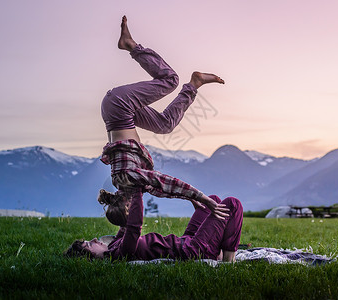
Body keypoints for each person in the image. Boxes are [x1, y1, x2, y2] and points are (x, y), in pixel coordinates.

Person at [100, 16, 227, 219]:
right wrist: (190, 199)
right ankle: (195, 84)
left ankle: (130, 45)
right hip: (121, 113)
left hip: (119, 105)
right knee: (165, 125)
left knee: (170, 80)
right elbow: (160, 188)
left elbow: (164, 181)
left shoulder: (128, 178)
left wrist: (203, 198)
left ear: (126, 205)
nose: (137, 211)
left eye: (131, 212)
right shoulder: (129, 184)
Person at [65, 189, 243, 262]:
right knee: (232, 204)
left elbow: (124, 224)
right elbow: (133, 227)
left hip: (185, 240)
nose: (95, 239)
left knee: (212, 202)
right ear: (90, 258)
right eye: (89, 244)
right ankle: (228, 262)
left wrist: (120, 196)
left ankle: (217, 248)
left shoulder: (115, 245)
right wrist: (136, 193)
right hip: (193, 250)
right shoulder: (121, 252)